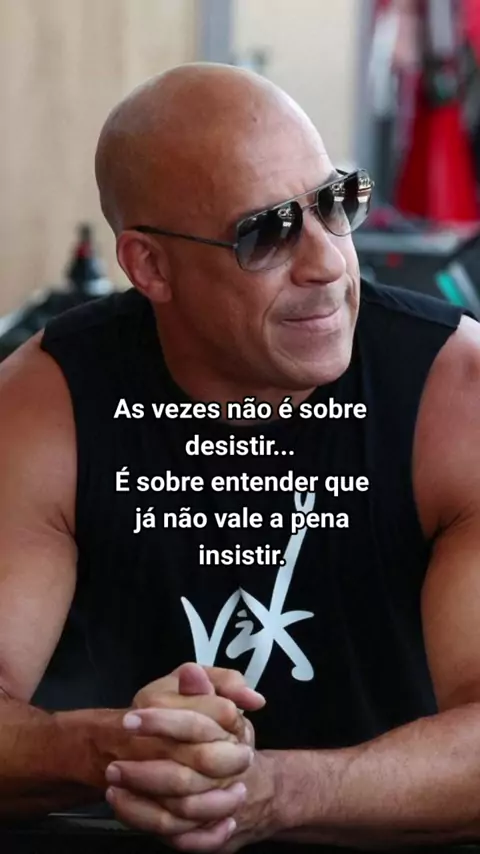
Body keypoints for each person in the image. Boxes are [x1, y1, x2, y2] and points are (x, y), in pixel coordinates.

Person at [1, 61, 480, 854]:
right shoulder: (46, 405)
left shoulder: (455, 395)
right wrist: (117, 748)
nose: (329, 263)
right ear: (150, 266)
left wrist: (276, 791)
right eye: (268, 232)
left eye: (336, 203)